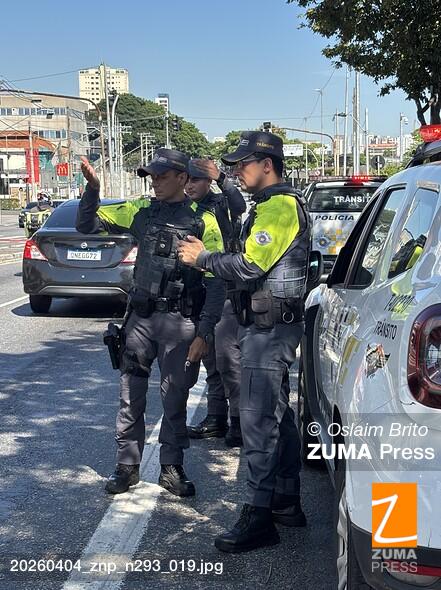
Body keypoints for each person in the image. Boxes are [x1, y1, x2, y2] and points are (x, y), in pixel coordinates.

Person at [178, 131, 311, 552]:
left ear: (267, 164)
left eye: (243, 164)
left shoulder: (280, 207)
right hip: (267, 326)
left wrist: (202, 258)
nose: (236, 171)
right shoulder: (269, 204)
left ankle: (258, 517)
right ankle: (285, 501)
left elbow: (251, 265)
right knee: (276, 417)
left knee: (256, 423)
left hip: (268, 331)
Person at [77, 149, 225, 497]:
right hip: (140, 322)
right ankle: (126, 467)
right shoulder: (140, 211)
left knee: (174, 398)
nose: (155, 182)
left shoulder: (204, 221)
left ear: (182, 178)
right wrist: (93, 189)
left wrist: (205, 332)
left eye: (162, 176)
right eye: (152, 176)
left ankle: (171, 468)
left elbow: (217, 281)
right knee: (130, 397)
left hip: (181, 323)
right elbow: (86, 224)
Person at [185, 159, 245, 447]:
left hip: (223, 287)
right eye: (186, 180)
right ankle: (216, 419)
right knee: (210, 360)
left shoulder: (221, 203)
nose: (189, 186)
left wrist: (221, 177)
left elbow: (239, 205)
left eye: (196, 180)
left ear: (207, 181)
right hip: (198, 289)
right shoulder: (185, 209)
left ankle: (239, 423)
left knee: (228, 361)